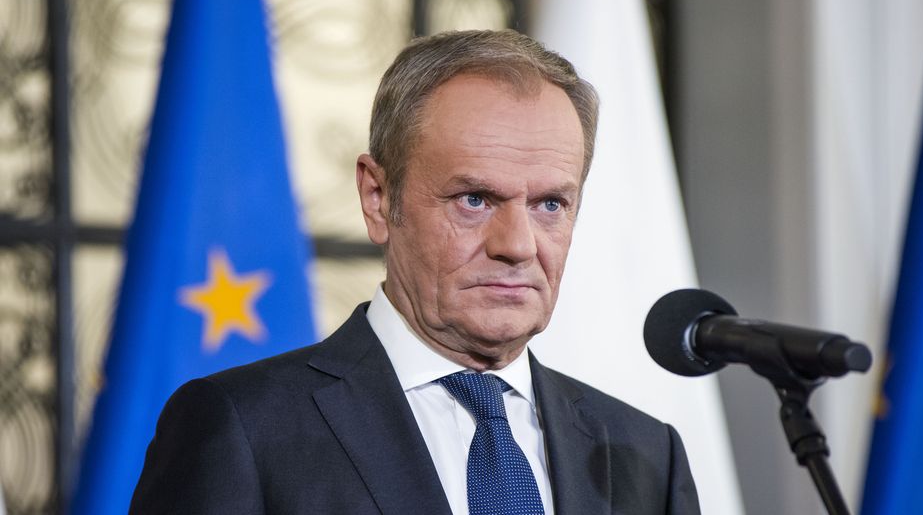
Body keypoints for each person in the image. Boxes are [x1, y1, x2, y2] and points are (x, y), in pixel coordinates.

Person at [130, 29, 700, 515]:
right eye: (474, 199)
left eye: (550, 204)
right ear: (379, 199)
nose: (518, 246)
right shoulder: (245, 429)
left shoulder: (645, 454)